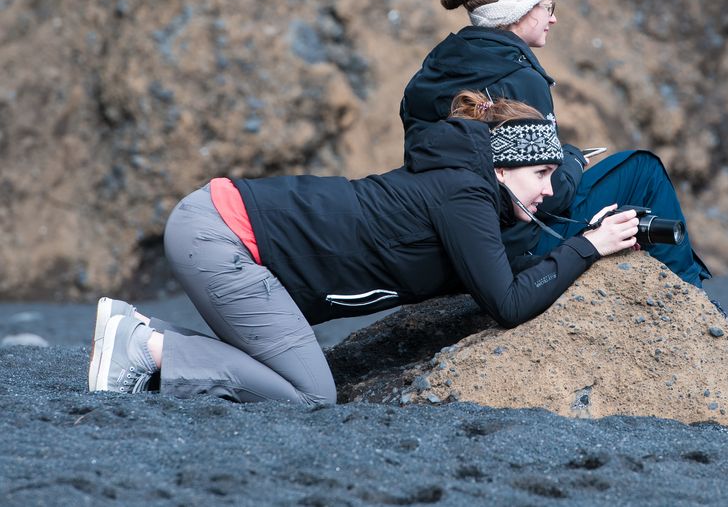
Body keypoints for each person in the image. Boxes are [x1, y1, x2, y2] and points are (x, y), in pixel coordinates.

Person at [87, 91, 640, 403]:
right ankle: (147, 349)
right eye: (542, 173)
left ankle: (135, 333)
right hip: (225, 234)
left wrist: (573, 242)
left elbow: (502, 272)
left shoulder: (467, 189)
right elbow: (510, 303)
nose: (548, 189)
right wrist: (588, 247)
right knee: (309, 395)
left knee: (286, 374)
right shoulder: (465, 193)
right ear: (504, 164)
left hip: (222, 224)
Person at [400, 0, 728, 342]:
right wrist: (571, 161)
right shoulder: (519, 78)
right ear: (521, 11)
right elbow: (542, 199)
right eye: (548, 6)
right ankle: (702, 319)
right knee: (641, 172)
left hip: (449, 243)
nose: (554, 17)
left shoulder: (434, 67)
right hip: (508, 248)